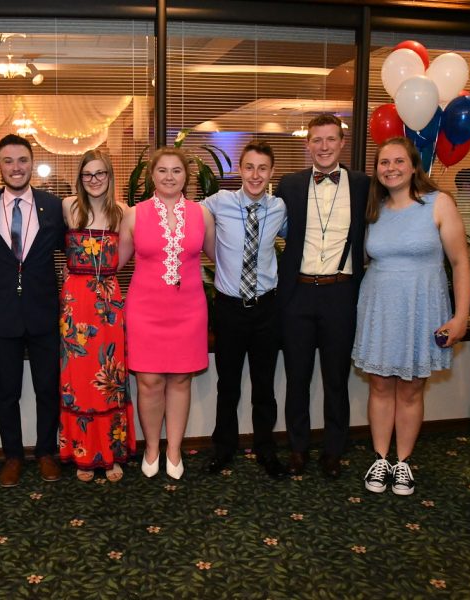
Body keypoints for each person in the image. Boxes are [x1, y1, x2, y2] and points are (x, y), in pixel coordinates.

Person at [353, 137, 470, 495]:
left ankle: (403, 462)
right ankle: (380, 457)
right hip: (379, 308)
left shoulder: (439, 204)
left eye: (398, 161)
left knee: (410, 388)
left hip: (422, 309)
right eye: (383, 162)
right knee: (379, 384)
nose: (390, 168)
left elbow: (461, 263)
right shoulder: (374, 209)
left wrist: (461, 316)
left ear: (414, 165)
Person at [276, 114, 371, 478]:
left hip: (340, 293)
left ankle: (334, 451)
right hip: (298, 293)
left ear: (342, 143)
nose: (325, 146)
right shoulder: (290, 184)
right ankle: (298, 449)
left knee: (336, 380)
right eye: (317, 140)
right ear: (307, 144)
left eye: (331, 139)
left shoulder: (363, 185)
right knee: (297, 378)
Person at [119, 147, 215, 480]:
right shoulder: (133, 215)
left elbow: (219, 257)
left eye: (176, 170)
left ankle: (174, 449)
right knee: (148, 382)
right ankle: (151, 448)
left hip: (189, 308)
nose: (169, 176)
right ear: (152, 176)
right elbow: (114, 263)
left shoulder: (202, 214)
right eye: (162, 170)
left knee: (180, 379)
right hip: (145, 309)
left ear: (186, 176)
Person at [0, 134, 67, 487]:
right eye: (8, 161)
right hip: (2, 313)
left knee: (48, 387)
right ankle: (12, 456)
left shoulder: (54, 206)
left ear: (32, 163)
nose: (16, 167)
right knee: (7, 392)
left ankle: (46, 452)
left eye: (22, 160)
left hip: (44, 310)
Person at [202, 141, 289, 479]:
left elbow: (299, 239)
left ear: (270, 173)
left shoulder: (280, 208)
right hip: (229, 308)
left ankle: (266, 450)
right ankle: (223, 449)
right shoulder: (218, 202)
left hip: (267, 308)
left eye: (262, 168)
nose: (255, 175)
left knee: (264, 386)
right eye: (249, 167)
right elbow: (184, 217)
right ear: (240, 169)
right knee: (229, 384)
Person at [59, 149, 135, 483]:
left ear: (109, 176)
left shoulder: (124, 213)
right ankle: (83, 453)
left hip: (108, 302)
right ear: (80, 178)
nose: (94, 180)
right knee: (78, 378)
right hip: (76, 303)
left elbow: (124, 260)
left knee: (111, 376)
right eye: (88, 174)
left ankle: (110, 454)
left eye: (100, 173)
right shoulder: (67, 207)